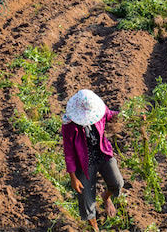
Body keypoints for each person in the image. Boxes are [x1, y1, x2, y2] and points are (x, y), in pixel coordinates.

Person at [62, 90, 124, 231]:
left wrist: (133, 117)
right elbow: (69, 152)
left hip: (102, 154)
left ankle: (106, 197)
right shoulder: (69, 125)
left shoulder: (99, 111)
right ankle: (95, 228)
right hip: (83, 162)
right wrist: (73, 177)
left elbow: (112, 115)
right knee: (86, 199)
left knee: (117, 183)